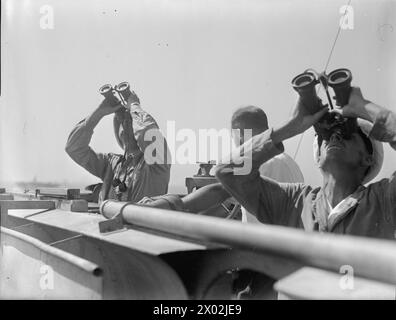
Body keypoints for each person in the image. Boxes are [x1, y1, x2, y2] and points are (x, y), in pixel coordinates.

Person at [215, 87, 396, 240]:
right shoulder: (295, 202)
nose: (334, 136)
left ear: (368, 158)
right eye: (325, 136)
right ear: (318, 157)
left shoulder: (384, 199)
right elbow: (227, 171)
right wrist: (291, 126)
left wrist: (371, 111)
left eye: (347, 133)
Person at [138, 105, 304, 222]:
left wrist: (173, 205)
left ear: (239, 134)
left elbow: (220, 191)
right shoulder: (290, 162)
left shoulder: (256, 164)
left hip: (266, 256)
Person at [65, 89, 171, 203]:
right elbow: (74, 148)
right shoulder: (112, 165)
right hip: (110, 220)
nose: (125, 123)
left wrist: (134, 106)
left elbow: (147, 133)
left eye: (130, 120)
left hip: (140, 221)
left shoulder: (157, 161)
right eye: (121, 120)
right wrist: (99, 112)